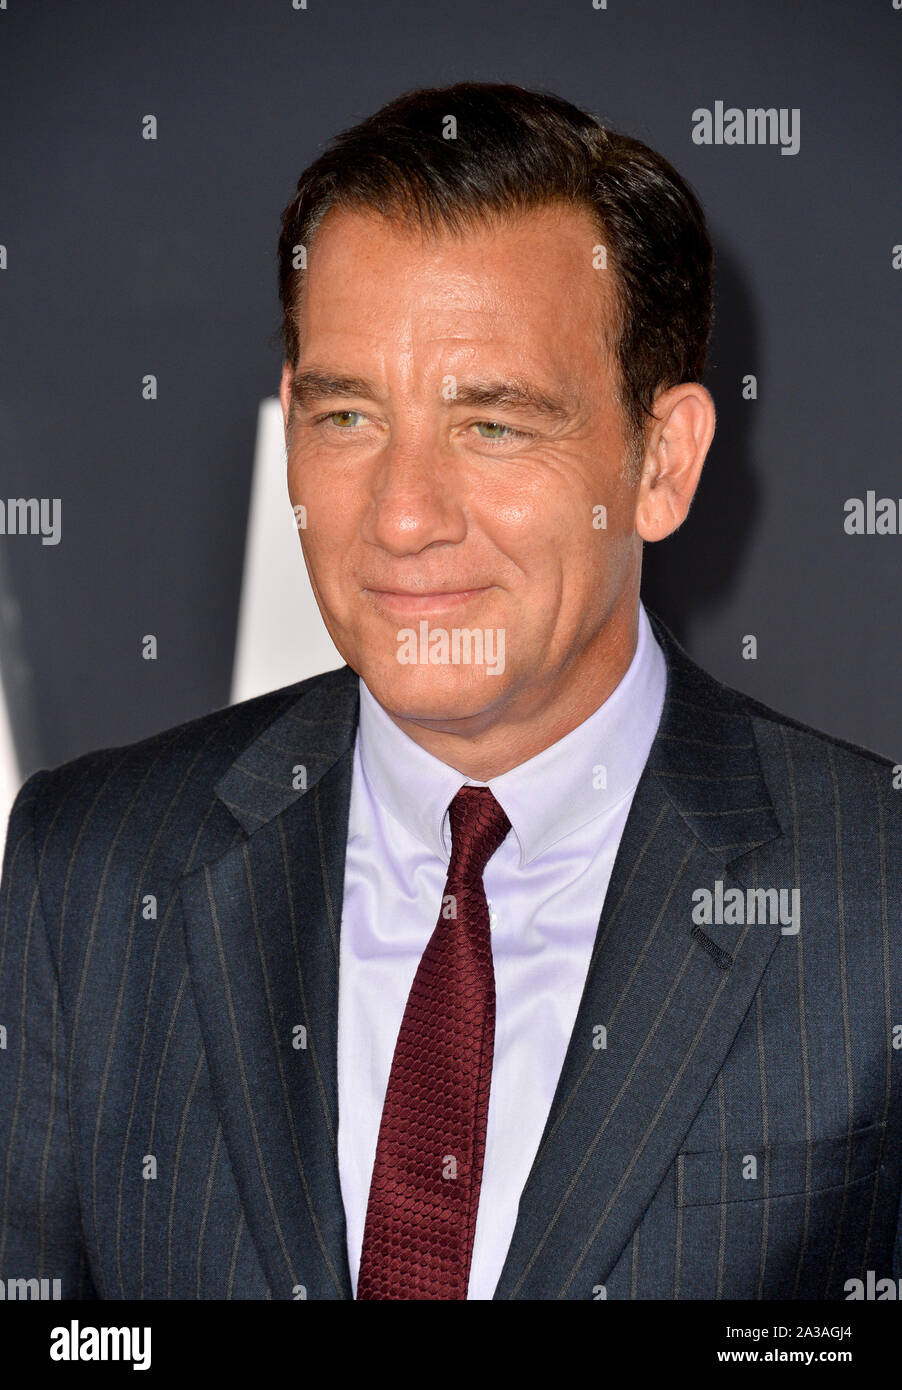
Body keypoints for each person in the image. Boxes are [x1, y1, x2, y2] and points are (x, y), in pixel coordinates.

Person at [1, 82, 899, 1302]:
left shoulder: (871, 899)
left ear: (662, 463)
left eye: (492, 425)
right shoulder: (91, 873)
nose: (402, 515)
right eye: (349, 413)